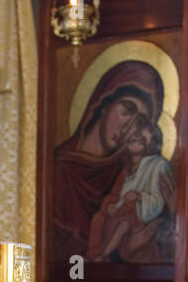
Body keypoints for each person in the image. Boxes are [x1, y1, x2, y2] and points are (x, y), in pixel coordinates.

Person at [53, 59, 165, 270]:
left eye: (140, 122)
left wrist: (129, 250)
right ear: (103, 102)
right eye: (128, 110)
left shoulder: (126, 175)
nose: (129, 127)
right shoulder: (59, 170)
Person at [86, 122, 176, 263]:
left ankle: (104, 256)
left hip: (136, 217)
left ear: (151, 145)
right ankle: (93, 256)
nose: (135, 139)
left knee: (124, 223)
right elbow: (114, 195)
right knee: (98, 218)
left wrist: (138, 196)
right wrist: (109, 205)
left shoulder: (156, 166)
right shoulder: (126, 170)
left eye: (141, 140)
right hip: (118, 212)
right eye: (134, 137)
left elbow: (159, 201)